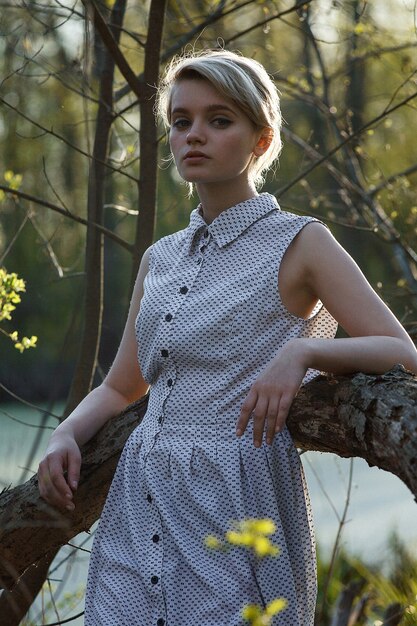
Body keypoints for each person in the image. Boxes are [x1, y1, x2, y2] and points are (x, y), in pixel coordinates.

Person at [38, 50, 417, 626]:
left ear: (261, 140)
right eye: (181, 121)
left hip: (237, 500)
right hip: (138, 504)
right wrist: (66, 433)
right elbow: (122, 387)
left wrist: (305, 350)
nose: (195, 135)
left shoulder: (300, 243)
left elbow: (401, 352)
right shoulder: (159, 259)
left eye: (220, 120)